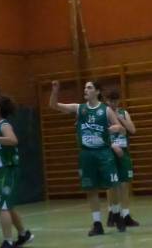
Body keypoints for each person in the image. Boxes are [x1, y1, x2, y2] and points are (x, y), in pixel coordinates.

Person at [49, 79, 123, 236]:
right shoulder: (79, 108)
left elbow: (119, 127)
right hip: (87, 154)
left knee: (113, 185)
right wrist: (55, 92)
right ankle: (97, 224)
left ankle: (116, 213)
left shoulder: (105, 110)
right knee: (91, 188)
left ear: (97, 91)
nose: (85, 90)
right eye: (85, 87)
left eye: (89, 87)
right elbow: (54, 105)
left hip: (104, 152)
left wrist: (112, 129)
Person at [0, 95, 34, 248]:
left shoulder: (4, 124)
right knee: (7, 206)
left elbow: (13, 140)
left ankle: (8, 243)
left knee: (3, 206)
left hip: (8, 168)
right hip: (0, 169)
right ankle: (23, 234)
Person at [105, 89, 140, 231]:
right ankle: (112, 212)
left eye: (115, 101)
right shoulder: (104, 114)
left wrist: (121, 119)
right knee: (112, 184)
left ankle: (125, 214)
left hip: (123, 150)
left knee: (124, 183)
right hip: (109, 150)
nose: (113, 104)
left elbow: (133, 130)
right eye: (110, 101)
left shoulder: (123, 113)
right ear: (106, 101)